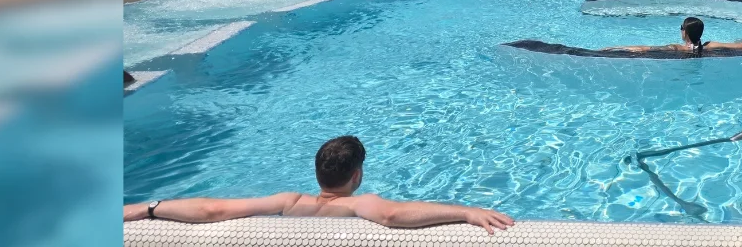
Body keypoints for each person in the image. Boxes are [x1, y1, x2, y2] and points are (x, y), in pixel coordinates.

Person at [122, 136, 514, 235]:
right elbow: (395, 216)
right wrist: (466, 211)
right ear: (357, 176)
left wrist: (148, 208)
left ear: (317, 173)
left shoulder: (288, 201)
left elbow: (213, 210)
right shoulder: (357, 205)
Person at [604, 17, 742, 54]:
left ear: (685, 32)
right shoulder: (710, 46)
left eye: (681, 28)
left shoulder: (676, 48)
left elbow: (642, 49)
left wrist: (612, 48)